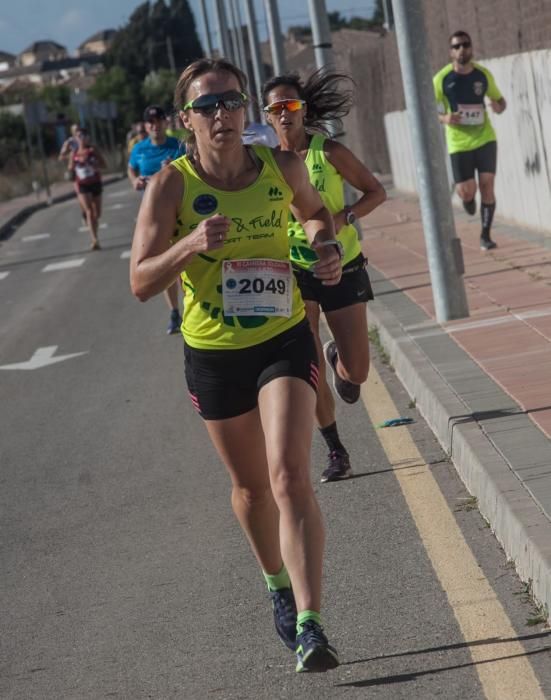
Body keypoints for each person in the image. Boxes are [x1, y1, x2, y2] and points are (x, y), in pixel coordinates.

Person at [130, 58, 343, 673]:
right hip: (214, 353)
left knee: (289, 476)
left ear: (246, 109)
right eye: (206, 106)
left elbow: (315, 213)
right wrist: (192, 243)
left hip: (282, 335)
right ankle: (275, 583)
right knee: (252, 490)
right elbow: (141, 282)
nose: (220, 114)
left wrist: (323, 247)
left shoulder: (282, 166)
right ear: (185, 120)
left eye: (230, 102)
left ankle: (309, 622)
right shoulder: (170, 186)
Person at [262, 70, 386, 483]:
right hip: (294, 271)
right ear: (267, 116)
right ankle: (336, 449)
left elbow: (375, 191)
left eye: (291, 106)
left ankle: (340, 359)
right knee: (307, 361)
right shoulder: (264, 166)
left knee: (358, 373)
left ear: (304, 110)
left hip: (342, 264)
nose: (284, 114)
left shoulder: (328, 152)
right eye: (276, 108)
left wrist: (342, 217)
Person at [433, 30, 506, 251]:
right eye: (456, 46)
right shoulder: (442, 79)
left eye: (465, 45)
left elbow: (500, 101)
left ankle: (485, 236)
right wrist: (445, 117)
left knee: (487, 185)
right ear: (450, 52)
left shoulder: (482, 75)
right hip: (458, 142)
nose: (461, 49)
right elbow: (427, 109)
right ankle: (466, 198)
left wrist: (497, 106)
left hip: (485, 138)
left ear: (471, 47)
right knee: (467, 190)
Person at [128, 105, 185, 334]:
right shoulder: (139, 149)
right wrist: (136, 181)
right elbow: (132, 169)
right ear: (145, 125)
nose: (155, 125)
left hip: (179, 209)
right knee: (162, 263)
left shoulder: (177, 145)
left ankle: (188, 304)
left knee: (180, 260)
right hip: (151, 214)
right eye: (150, 121)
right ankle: (174, 311)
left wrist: (172, 170)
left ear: (164, 122)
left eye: (159, 120)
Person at [68, 126, 106, 250]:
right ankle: (94, 239)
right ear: (76, 138)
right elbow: (70, 169)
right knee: (89, 211)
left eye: (84, 136)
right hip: (82, 184)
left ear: (88, 137)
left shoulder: (93, 150)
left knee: (97, 213)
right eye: (79, 136)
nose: (81, 138)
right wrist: (74, 171)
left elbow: (104, 164)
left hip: (95, 182)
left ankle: (94, 231)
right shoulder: (74, 153)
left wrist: (95, 165)